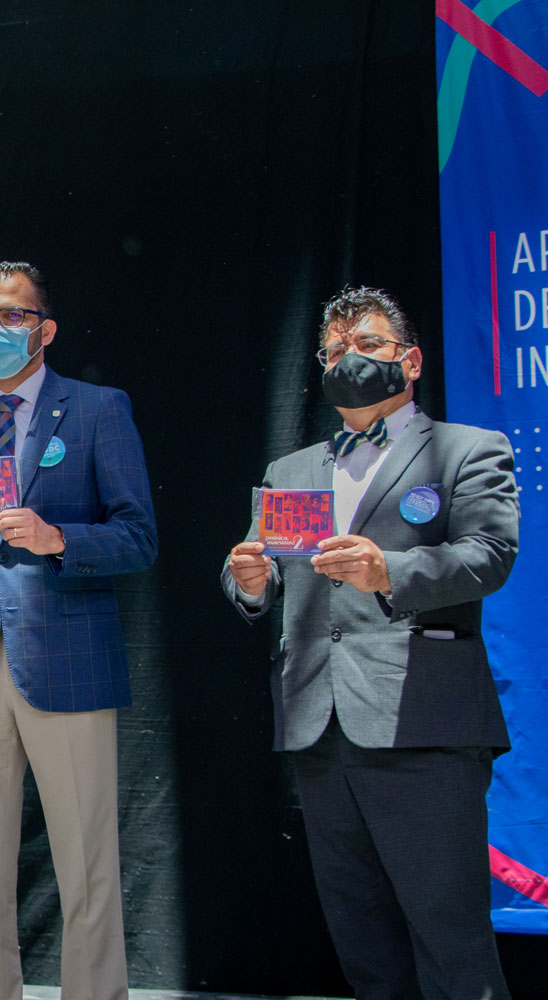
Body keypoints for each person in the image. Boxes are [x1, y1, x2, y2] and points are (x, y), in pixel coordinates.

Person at [221, 287, 517, 1000]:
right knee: (364, 944)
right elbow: (262, 577)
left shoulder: (468, 449)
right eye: (333, 351)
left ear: (410, 361)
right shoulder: (290, 471)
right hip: (319, 725)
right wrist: (249, 580)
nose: (348, 359)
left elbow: (489, 556)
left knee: (451, 941)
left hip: (423, 723)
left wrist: (392, 571)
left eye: (368, 344)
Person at [0, 262, 157, 1000]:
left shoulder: (98, 409)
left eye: (12, 315)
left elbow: (139, 537)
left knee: (86, 870)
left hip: (69, 660)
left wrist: (57, 539)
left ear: (46, 330)